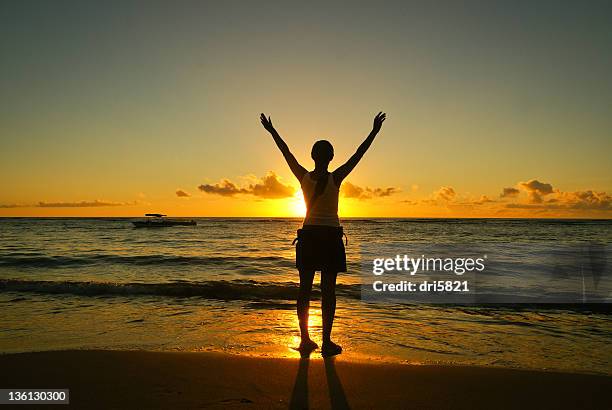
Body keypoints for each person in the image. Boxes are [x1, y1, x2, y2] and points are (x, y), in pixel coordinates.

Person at [260, 112, 387, 356]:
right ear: (330, 158)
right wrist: (374, 132)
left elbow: (285, 152)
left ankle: (306, 340)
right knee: (328, 290)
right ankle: (326, 342)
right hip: (330, 237)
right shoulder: (335, 177)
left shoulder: (303, 176)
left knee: (304, 289)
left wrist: (272, 131)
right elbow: (358, 155)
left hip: (308, 236)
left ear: (312, 156)